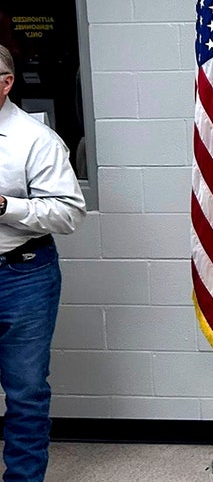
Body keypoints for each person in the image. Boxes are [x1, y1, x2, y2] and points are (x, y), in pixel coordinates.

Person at [0, 44, 85, 482]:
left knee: (26, 391)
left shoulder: (35, 139)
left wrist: (4, 206)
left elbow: (69, 213)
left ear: (6, 82)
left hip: (21, 274)